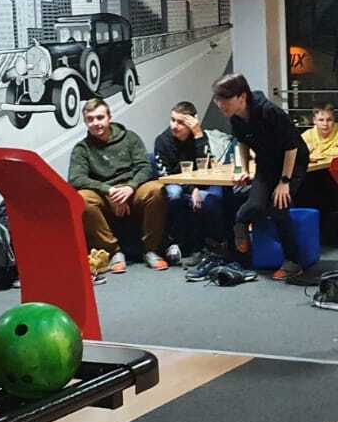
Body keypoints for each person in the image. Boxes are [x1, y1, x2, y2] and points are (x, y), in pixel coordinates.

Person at [213, 73, 310, 281]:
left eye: (225, 100)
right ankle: (240, 223)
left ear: (242, 97)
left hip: (293, 161)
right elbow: (242, 142)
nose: (221, 105)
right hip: (266, 163)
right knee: (255, 204)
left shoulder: (269, 111)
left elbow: (291, 147)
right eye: (217, 100)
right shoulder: (235, 117)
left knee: (279, 206)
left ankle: (293, 262)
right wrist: (244, 168)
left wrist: (284, 182)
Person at [67, 98, 168, 273]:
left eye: (100, 117)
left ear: (109, 118)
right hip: (105, 194)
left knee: (155, 189)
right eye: (90, 119)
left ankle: (151, 250)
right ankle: (113, 252)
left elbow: (144, 167)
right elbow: (76, 179)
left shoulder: (130, 138)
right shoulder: (81, 149)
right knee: (82, 198)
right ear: (85, 122)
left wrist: (130, 187)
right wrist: (109, 191)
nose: (96, 123)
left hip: (132, 190)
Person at [153, 101, 229, 266]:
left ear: (193, 122)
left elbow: (207, 167)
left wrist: (198, 134)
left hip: (201, 185)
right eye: (173, 120)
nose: (174, 126)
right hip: (176, 185)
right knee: (174, 193)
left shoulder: (199, 137)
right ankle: (177, 243)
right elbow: (167, 176)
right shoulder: (162, 141)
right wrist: (192, 189)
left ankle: (213, 245)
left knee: (212, 197)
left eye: (181, 122)